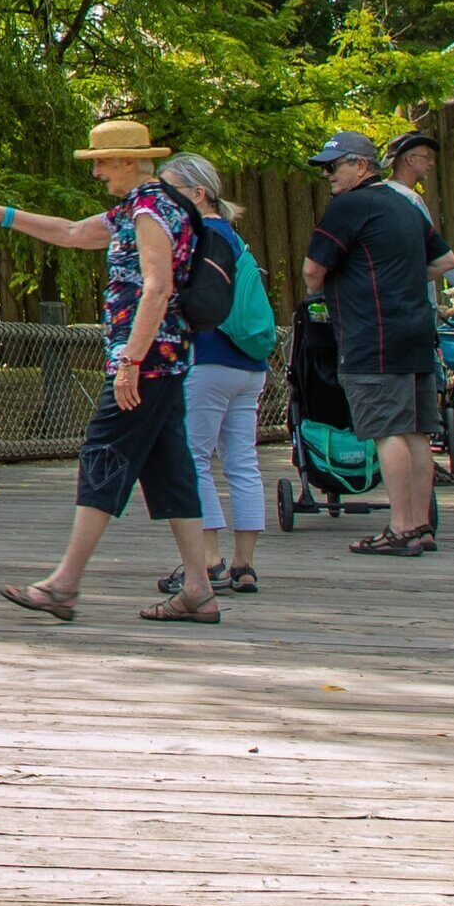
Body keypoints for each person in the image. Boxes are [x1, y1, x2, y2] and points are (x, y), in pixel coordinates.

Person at [0, 118, 225, 624]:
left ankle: (64, 585)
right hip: (162, 363)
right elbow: (76, 233)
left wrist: (130, 363)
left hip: (146, 362)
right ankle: (198, 589)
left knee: (102, 453)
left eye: (100, 162)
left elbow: (157, 287)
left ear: (127, 161)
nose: (96, 172)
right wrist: (5, 214)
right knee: (171, 469)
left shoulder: (149, 211)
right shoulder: (140, 207)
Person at [300, 127, 454, 553]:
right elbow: (443, 261)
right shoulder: (406, 205)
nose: (328, 177)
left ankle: (400, 527)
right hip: (416, 331)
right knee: (416, 432)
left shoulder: (348, 207)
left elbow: (312, 272)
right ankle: (421, 525)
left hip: (370, 334)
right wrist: (401, 278)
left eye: (333, 167)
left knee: (387, 429)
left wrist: (343, 288)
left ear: (360, 165)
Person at [159, 151, 268, 596]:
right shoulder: (236, 240)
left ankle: (208, 561)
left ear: (198, 194)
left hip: (207, 360)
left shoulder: (199, 237)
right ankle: (245, 565)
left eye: (171, 192)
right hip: (249, 365)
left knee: (193, 460)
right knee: (242, 462)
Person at [384, 130, 454, 308]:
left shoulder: (379, 194)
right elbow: (440, 257)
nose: (431, 162)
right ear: (410, 159)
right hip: (415, 304)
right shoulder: (409, 199)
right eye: (426, 156)